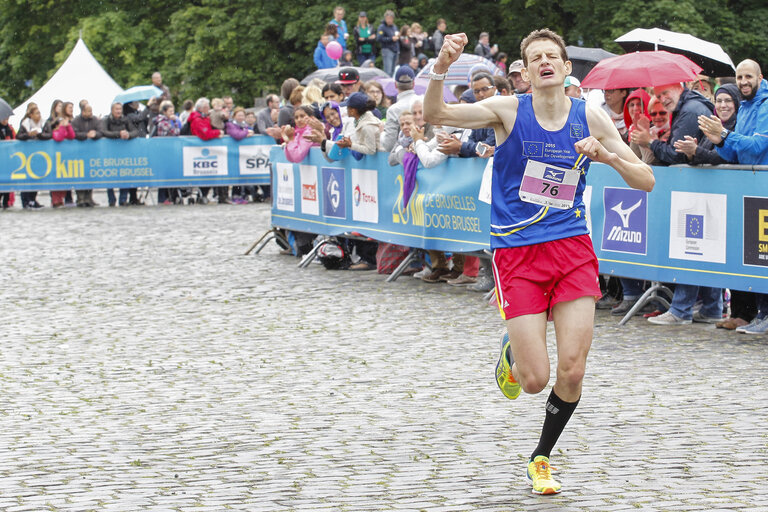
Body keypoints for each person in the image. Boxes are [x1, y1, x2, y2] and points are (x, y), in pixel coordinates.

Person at [424, 29, 654, 495]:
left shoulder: (589, 116)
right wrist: (442, 66)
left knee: (572, 369)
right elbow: (434, 114)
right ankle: (514, 351)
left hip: (572, 249)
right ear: (525, 73)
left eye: (553, 56)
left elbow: (645, 180)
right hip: (517, 253)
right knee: (535, 381)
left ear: (568, 69)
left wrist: (607, 156)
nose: (545, 62)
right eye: (535, 58)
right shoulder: (508, 110)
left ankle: (541, 458)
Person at [699, 59, 768, 334]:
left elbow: (759, 145)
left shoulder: (765, 105)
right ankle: (754, 314)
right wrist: (720, 141)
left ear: (760, 77)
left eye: (748, 76)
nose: (743, 82)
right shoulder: (748, 106)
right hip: (749, 191)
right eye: (739, 77)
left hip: (761, 189)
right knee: (751, 255)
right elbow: (736, 154)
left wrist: (726, 134)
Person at [631, 82, 714, 165]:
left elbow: (676, 155)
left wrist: (650, 142)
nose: (663, 100)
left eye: (665, 93)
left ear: (678, 88)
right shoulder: (685, 107)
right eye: (659, 97)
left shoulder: (689, 111)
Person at [101, 102, 140, 206]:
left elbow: (135, 132)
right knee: (109, 177)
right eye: (116, 109)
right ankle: (111, 200)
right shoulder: (106, 120)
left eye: (120, 109)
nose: (118, 111)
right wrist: (118, 134)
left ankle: (123, 199)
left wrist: (128, 135)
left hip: (124, 152)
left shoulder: (126, 120)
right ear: (112, 110)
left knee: (125, 175)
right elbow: (103, 132)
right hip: (110, 153)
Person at [380, 66, 419, 152]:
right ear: (413, 84)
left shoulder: (393, 110)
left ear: (395, 84)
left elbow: (389, 144)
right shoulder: (424, 102)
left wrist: (381, 133)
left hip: (404, 157)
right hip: (426, 152)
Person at [71, 101, 102, 207]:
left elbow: (101, 131)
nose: (91, 113)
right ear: (83, 111)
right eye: (88, 111)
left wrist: (95, 134)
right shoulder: (76, 121)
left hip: (92, 153)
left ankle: (89, 198)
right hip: (79, 153)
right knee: (80, 176)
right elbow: (73, 133)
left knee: (90, 175)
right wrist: (86, 135)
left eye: (91, 111)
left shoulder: (95, 120)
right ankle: (80, 198)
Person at [153, 100, 181, 205]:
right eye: (170, 111)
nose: (172, 113)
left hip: (170, 151)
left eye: (173, 111)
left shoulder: (169, 121)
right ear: (164, 112)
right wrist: (174, 123)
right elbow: (175, 132)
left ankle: (169, 197)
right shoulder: (162, 122)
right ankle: (162, 198)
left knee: (170, 174)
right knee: (163, 174)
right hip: (163, 151)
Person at [0, 114, 16, 209]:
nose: (6, 120)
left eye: (7, 118)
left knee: (7, 180)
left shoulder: (9, 129)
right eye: (4, 118)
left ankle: (7, 201)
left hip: (7, 158)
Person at [377, 10, 399, 77]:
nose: (389, 20)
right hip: (387, 50)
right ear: (385, 18)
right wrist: (391, 39)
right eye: (387, 18)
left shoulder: (394, 27)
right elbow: (379, 38)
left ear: (393, 19)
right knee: (388, 71)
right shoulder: (382, 27)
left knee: (393, 71)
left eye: (390, 18)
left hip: (395, 49)